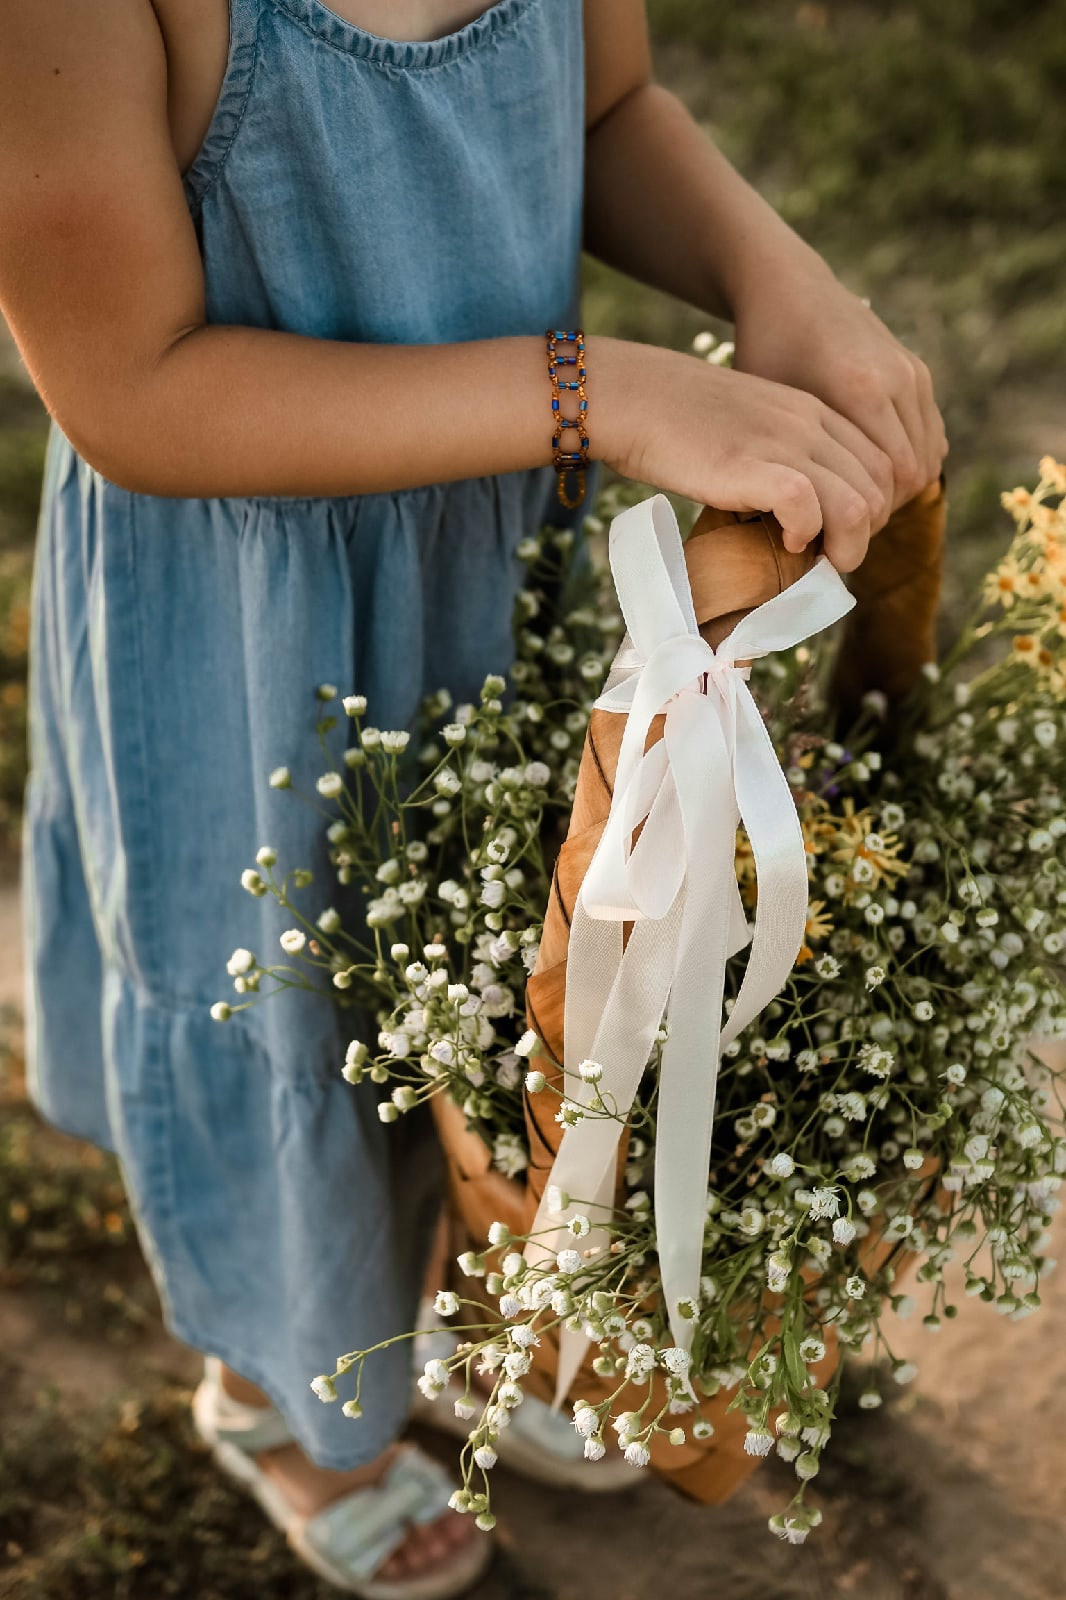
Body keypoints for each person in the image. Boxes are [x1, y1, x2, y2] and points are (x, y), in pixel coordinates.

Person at [0, 1, 948, 1594]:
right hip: (258, 633)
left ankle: (443, 1301)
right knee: (301, 1026)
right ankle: (290, 1407)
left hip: (493, 557)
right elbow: (131, 386)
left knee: (505, 986)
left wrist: (788, 283)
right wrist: (603, 392)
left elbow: (605, 104)